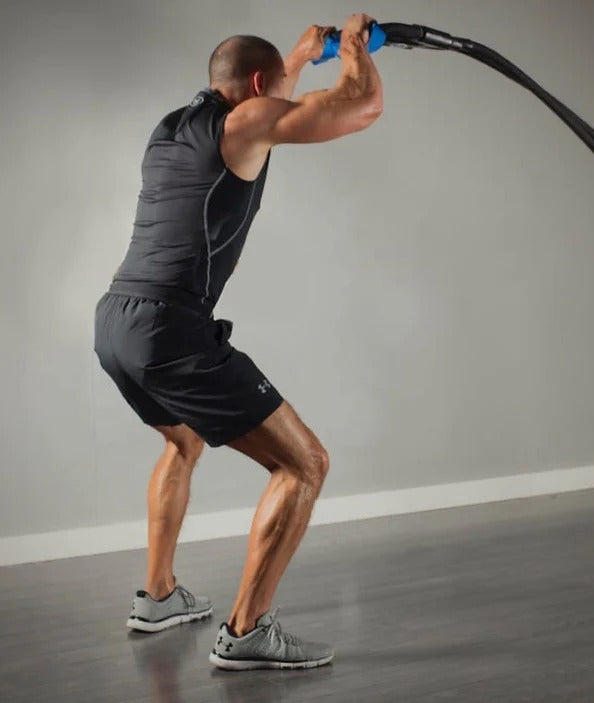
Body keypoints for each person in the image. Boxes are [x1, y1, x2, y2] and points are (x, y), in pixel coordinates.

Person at [93, 14, 383, 671]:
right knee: (304, 463)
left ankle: (159, 595)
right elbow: (360, 107)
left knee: (183, 437)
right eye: (276, 82)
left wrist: (304, 54)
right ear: (257, 84)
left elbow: (265, 104)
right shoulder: (246, 123)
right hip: (170, 328)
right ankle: (247, 631)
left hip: (115, 320)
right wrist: (356, 50)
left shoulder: (173, 128)